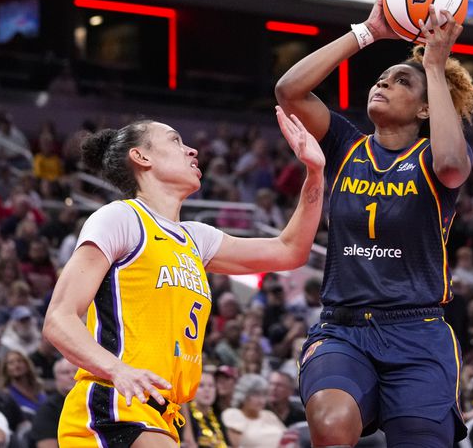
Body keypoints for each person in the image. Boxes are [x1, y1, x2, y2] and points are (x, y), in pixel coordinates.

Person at [43, 109, 325, 447]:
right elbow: (59, 318)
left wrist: (315, 172)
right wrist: (116, 369)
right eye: (176, 141)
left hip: (162, 414)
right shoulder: (121, 217)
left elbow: (289, 250)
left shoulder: (196, 239)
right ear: (141, 156)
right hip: (115, 403)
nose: (192, 150)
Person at [275, 0, 473, 446]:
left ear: (426, 107)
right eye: (381, 78)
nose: (382, 83)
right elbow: (289, 90)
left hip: (418, 331)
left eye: (400, 81)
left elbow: (452, 166)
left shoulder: (436, 156)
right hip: (343, 328)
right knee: (329, 421)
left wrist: (432, 64)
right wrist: (367, 32)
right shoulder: (346, 143)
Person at [221, 374, 286, 448]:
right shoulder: (233, 414)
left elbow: (287, 437)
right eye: (256, 395)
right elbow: (237, 445)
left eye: (264, 395)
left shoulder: (269, 415)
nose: (261, 400)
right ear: (243, 395)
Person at [30, 357, 76, 448]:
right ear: (56, 377)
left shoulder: (88, 402)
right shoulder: (48, 409)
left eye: (76, 372)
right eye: (66, 372)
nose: (72, 376)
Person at [189, 369, 229, 448]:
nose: (207, 390)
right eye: (201, 386)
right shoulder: (185, 418)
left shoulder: (218, 415)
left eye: (211, 386)